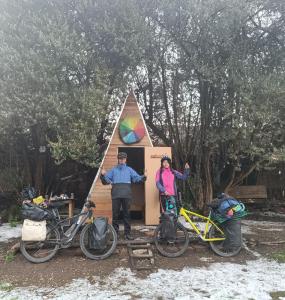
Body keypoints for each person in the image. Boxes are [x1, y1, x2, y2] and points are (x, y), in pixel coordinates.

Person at [100, 152, 147, 240]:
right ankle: (115, 234)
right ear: (118, 159)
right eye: (120, 159)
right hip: (116, 195)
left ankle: (127, 234)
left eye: (123, 159)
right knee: (115, 215)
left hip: (127, 195)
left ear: (126, 159)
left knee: (127, 215)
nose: (122, 160)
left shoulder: (129, 170)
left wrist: (144, 176)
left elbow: (137, 178)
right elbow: (106, 181)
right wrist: (103, 175)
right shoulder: (113, 170)